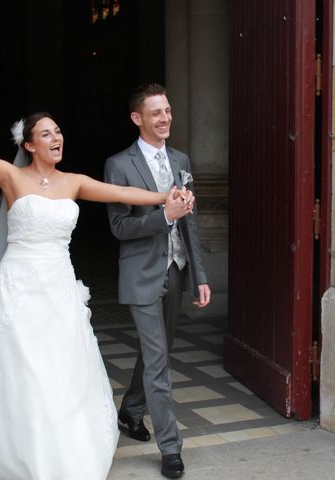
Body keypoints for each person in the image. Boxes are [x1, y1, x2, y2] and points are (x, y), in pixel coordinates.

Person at [0, 102, 195, 480]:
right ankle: (16, 445)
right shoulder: (11, 178)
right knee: (23, 367)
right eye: (46, 133)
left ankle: (62, 443)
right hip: (18, 288)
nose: (56, 138)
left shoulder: (74, 181)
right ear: (29, 145)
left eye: (58, 132)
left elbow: (123, 192)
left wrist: (165, 199)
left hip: (59, 287)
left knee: (61, 366)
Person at [104, 83, 211, 479]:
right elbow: (118, 226)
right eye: (156, 113)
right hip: (141, 273)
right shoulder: (119, 164)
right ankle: (171, 448)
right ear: (137, 119)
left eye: (167, 110)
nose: (165, 118)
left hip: (177, 270)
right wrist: (164, 215)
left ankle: (131, 411)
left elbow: (191, 222)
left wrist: (199, 274)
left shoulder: (182, 158)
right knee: (159, 361)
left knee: (157, 351)